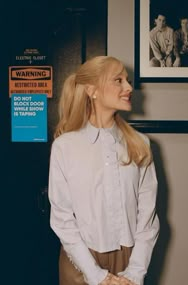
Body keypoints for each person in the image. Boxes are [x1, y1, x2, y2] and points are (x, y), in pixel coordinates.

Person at [48, 55, 160, 285]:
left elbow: (147, 220)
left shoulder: (140, 145)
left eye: (127, 80)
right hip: (79, 263)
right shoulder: (64, 147)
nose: (129, 87)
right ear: (92, 90)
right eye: (118, 80)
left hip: (130, 262)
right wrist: (96, 275)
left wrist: (135, 272)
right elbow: (62, 220)